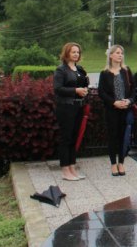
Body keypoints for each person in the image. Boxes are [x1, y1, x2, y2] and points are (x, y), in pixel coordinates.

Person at [53, 42, 89, 181]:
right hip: (66, 107)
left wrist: (84, 89)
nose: (76, 54)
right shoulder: (61, 70)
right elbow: (58, 89)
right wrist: (75, 91)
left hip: (78, 106)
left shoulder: (79, 69)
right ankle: (65, 169)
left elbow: (83, 85)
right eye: (73, 52)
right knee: (66, 138)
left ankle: (72, 167)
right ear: (66, 53)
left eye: (78, 52)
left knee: (74, 138)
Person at [97, 45, 135, 177]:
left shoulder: (126, 71)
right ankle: (113, 163)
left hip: (126, 109)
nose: (120, 55)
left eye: (122, 53)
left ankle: (121, 162)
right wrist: (114, 102)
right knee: (113, 136)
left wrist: (129, 101)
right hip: (112, 110)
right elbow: (101, 92)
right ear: (111, 55)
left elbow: (134, 90)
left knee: (123, 137)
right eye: (117, 53)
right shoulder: (105, 73)